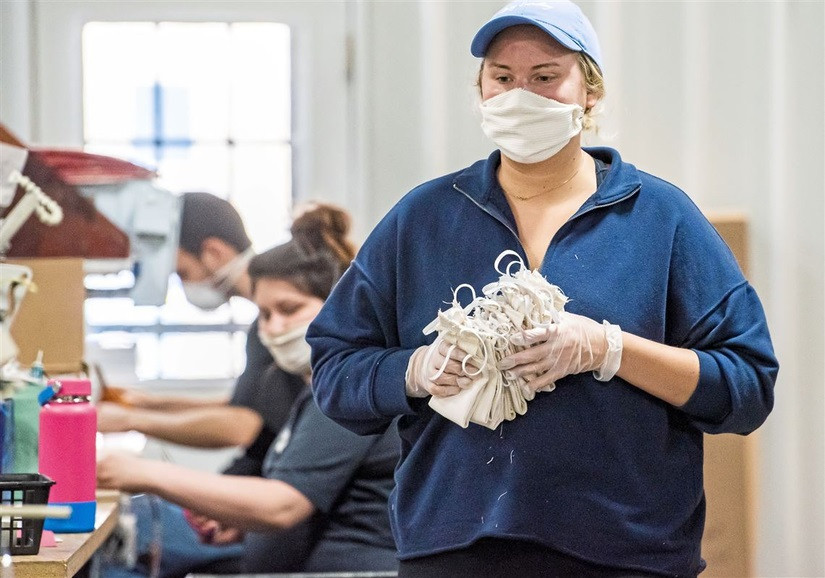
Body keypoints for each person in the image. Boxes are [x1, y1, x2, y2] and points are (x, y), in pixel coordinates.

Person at [307, 1, 779, 577]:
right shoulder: (424, 219)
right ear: (480, 90)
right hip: (454, 548)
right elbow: (335, 368)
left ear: (591, 93)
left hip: (625, 553)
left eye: (546, 77)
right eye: (502, 78)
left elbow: (747, 387)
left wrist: (611, 351)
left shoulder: (660, 219)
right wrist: (414, 371)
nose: (520, 96)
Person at [97, 203, 399, 577]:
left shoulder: (348, 391)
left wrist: (142, 473)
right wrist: (240, 519)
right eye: (266, 315)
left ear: (340, 306)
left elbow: (282, 504)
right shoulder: (314, 393)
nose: (273, 328)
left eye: (289, 309)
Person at [98, 192, 304, 474]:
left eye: (183, 273)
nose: (184, 287)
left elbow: (244, 424)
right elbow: (246, 403)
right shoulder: (261, 329)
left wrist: (132, 420)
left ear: (213, 253)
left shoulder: (281, 330)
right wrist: (150, 403)